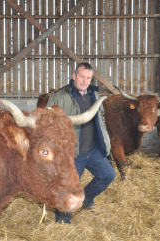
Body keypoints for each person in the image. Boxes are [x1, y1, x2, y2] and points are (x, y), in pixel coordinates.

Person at [46, 62, 115, 224]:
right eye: (82, 76)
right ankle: (63, 221)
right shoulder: (59, 97)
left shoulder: (94, 96)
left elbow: (101, 117)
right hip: (73, 153)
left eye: (88, 78)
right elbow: (48, 124)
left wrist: (103, 141)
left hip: (93, 149)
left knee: (107, 175)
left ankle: (86, 200)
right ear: (74, 76)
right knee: (67, 188)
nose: (85, 81)